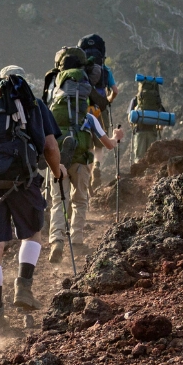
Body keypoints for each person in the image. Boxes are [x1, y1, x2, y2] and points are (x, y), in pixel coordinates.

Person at [0, 65, 66, 336]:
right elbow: (50, 146)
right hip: (23, 180)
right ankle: (23, 287)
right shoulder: (33, 103)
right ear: (22, 80)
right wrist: (57, 172)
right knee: (32, 233)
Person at [47, 48, 124, 263]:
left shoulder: (52, 111)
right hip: (81, 161)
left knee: (57, 202)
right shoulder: (89, 116)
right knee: (79, 201)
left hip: (57, 161)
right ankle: (77, 241)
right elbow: (107, 144)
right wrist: (117, 136)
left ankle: (57, 241)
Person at [77, 34, 119, 190]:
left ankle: (87, 174)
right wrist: (107, 100)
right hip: (99, 110)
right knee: (99, 145)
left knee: (86, 145)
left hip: (82, 109)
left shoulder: (79, 70)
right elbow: (115, 91)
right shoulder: (105, 69)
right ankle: (97, 166)